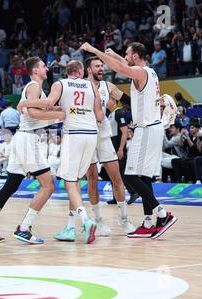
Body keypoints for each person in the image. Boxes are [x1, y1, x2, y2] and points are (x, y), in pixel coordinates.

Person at [80, 41, 177, 239]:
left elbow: (121, 67)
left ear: (135, 57)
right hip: (149, 128)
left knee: (131, 177)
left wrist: (95, 50)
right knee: (144, 178)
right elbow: (123, 62)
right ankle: (149, 221)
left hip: (147, 129)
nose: (125, 56)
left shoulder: (141, 72)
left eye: (127, 53)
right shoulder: (148, 71)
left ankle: (162, 214)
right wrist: (115, 54)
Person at [0, 57, 65, 244]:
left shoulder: (35, 88)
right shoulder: (34, 86)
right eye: (43, 66)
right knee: (48, 185)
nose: (46, 69)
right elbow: (34, 113)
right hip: (28, 138)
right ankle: (24, 228)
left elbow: (33, 110)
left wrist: (53, 109)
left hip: (23, 137)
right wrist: (59, 114)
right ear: (35, 70)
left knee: (11, 184)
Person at [42, 60, 104, 244]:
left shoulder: (59, 84)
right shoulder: (92, 85)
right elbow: (100, 115)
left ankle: (85, 221)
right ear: (81, 71)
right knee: (75, 181)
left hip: (74, 134)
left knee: (69, 182)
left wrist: (63, 110)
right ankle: (70, 227)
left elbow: (48, 105)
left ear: (68, 71)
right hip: (91, 135)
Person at [79, 55, 136, 237]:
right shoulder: (80, 87)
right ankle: (97, 220)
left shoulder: (108, 86)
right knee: (92, 179)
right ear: (89, 69)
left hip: (103, 137)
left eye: (101, 66)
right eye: (97, 66)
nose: (101, 69)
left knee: (116, 177)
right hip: (86, 136)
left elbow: (127, 100)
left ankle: (124, 218)